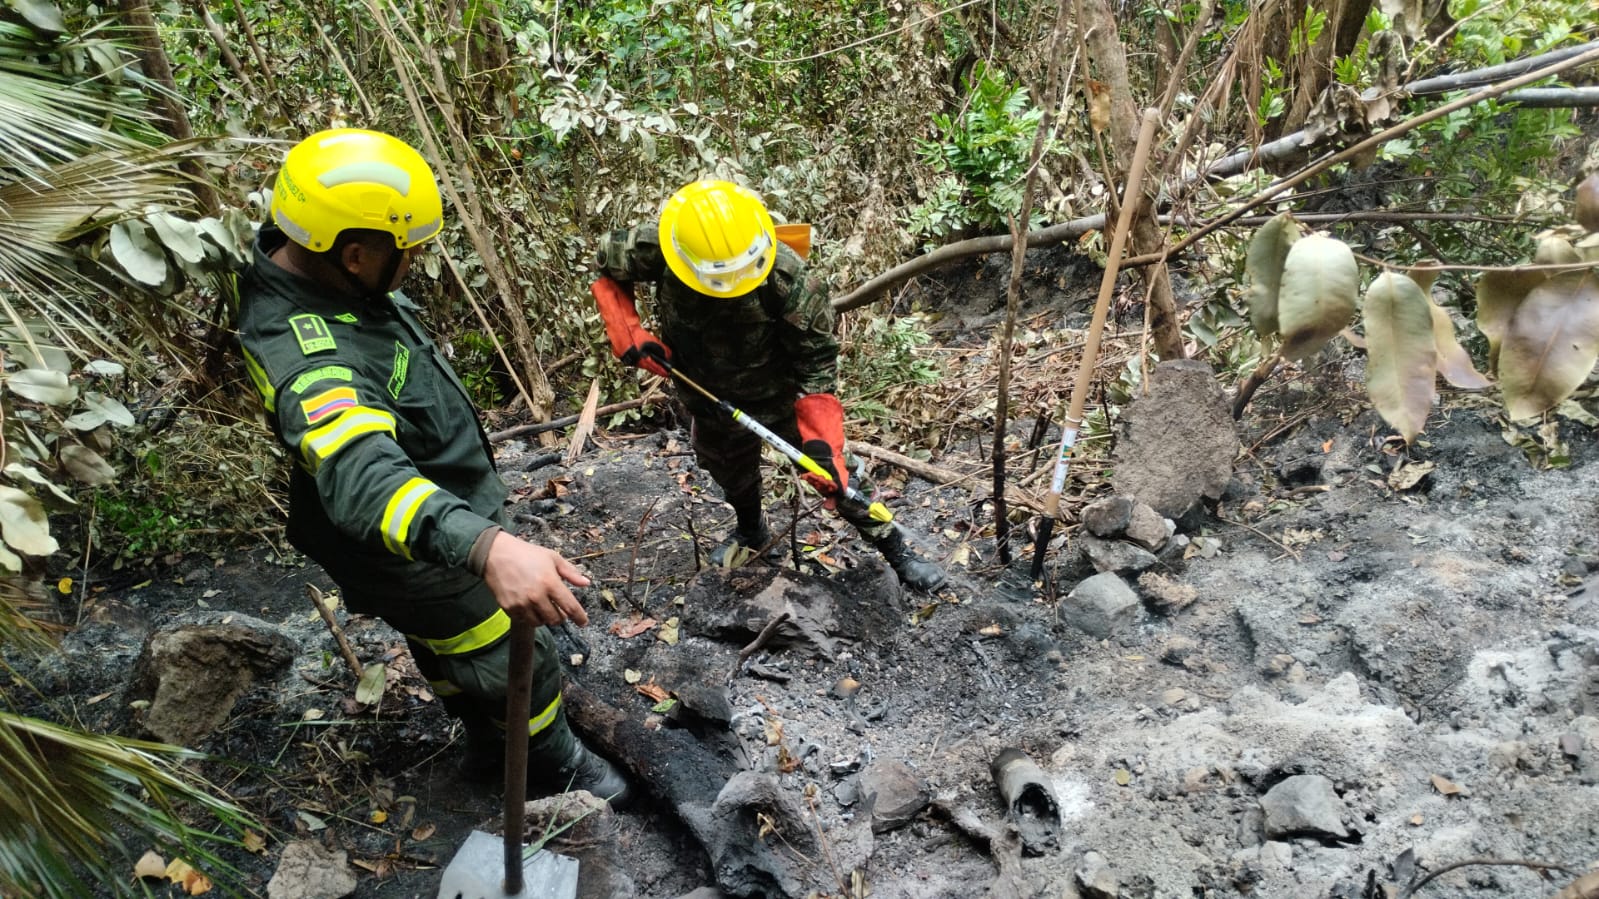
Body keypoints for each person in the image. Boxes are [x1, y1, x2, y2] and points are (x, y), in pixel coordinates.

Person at [236, 128, 629, 805]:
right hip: (414, 541)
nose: (416, 260)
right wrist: (488, 548)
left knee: (445, 644)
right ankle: (555, 762)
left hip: (426, 517)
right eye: (409, 250)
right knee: (506, 648)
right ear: (354, 255)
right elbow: (364, 478)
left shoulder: (307, 257)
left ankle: (484, 741)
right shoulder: (311, 360)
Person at [591, 179, 945, 592]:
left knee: (839, 477)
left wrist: (822, 441)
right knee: (729, 471)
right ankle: (751, 530)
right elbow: (606, 263)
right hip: (705, 391)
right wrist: (626, 328)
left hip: (779, 396)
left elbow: (817, 364)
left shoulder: (793, 283)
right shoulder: (658, 247)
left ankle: (898, 550)